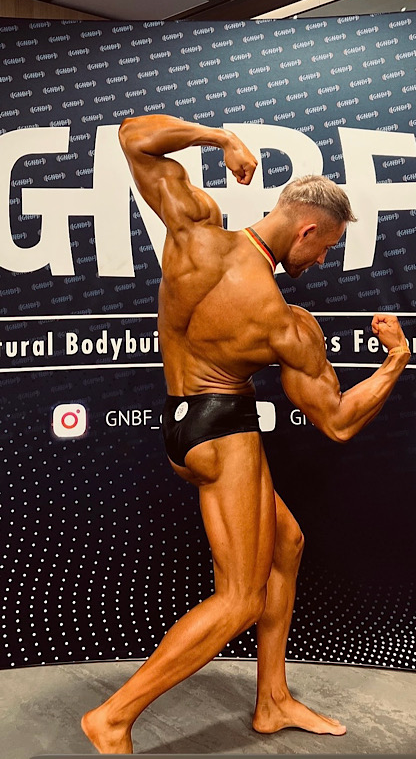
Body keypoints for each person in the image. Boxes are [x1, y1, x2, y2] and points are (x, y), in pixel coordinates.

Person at [81, 115, 411, 755]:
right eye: (325, 247)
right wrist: (396, 359)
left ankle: (272, 700)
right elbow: (338, 420)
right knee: (238, 599)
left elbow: (132, 137)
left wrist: (219, 139)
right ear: (307, 229)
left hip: (182, 423)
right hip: (225, 432)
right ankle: (114, 718)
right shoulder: (285, 322)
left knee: (286, 542)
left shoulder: (194, 232)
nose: (321, 261)